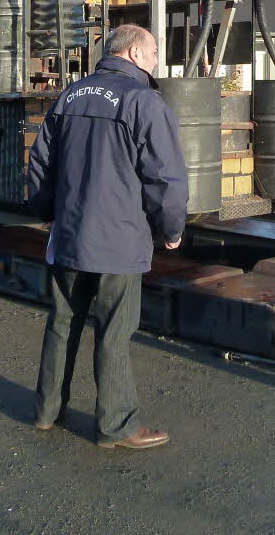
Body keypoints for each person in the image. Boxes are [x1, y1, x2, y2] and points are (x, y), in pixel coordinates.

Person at [26, 24, 188, 450]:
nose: (157, 60)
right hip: (119, 239)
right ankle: (115, 426)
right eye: (154, 51)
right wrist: (171, 229)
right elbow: (166, 177)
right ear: (134, 53)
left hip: (69, 235)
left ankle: (46, 411)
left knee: (63, 324)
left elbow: (41, 165)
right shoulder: (144, 101)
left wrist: (47, 215)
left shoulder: (71, 95)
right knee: (114, 330)